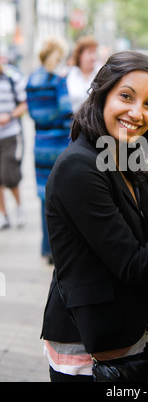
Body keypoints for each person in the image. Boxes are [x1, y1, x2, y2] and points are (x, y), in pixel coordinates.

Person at [41, 50, 148, 382]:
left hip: (126, 333)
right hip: (90, 349)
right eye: (126, 96)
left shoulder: (124, 154)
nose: (138, 112)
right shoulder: (78, 166)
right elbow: (132, 263)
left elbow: (145, 235)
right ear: (102, 93)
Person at [25, 37, 72, 262]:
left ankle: (46, 248)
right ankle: (58, 248)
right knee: (62, 195)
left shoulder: (31, 80)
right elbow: (65, 111)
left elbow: (33, 113)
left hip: (40, 142)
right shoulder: (57, 80)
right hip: (59, 142)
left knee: (44, 195)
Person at [0, 62, 27, 230]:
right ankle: (3, 214)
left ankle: (19, 206)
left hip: (9, 134)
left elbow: (24, 104)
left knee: (9, 175)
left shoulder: (12, 78)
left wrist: (9, 116)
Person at [66, 35, 98, 112]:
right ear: (80, 55)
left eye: (94, 52)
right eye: (90, 52)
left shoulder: (100, 73)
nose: (93, 57)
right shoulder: (69, 74)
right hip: (72, 120)